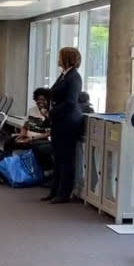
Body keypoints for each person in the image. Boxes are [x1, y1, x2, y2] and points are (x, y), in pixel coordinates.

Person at [43, 47, 83, 204]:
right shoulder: (63, 75)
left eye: (59, 57)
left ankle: (63, 193)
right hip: (60, 121)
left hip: (69, 122)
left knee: (66, 158)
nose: (57, 59)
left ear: (67, 58)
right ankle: (55, 190)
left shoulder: (74, 77)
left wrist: (51, 113)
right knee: (58, 157)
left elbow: (71, 102)